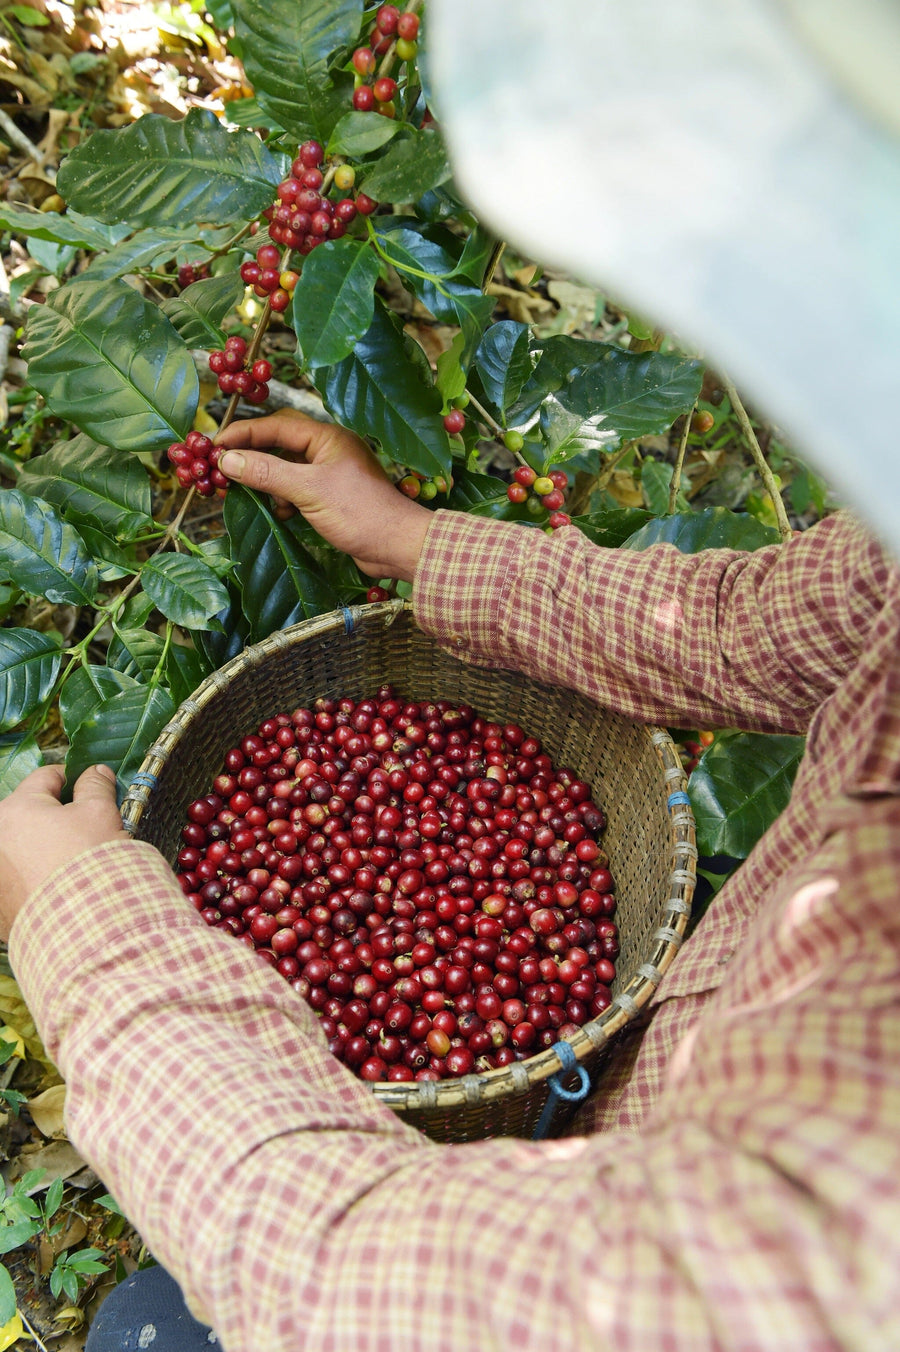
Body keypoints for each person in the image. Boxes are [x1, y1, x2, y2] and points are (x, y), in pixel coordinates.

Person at [2, 2, 899, 1349]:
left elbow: (397, 1309)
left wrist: (91, 937)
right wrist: (425, 543)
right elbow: (768, 623)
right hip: (621, 1106)